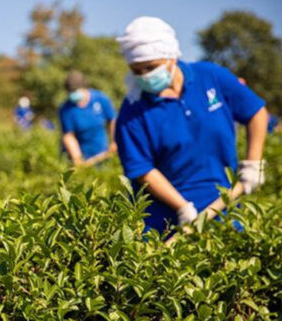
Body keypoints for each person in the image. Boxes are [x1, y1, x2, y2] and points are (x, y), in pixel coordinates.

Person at [114, 17, 268, 237]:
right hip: (165, 218)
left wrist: (253, 163)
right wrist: (182, 207)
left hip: (224, 205)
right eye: (137, 71)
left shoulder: (211, 77)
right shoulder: (132, 111)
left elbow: (255, 112)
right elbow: (142, 169)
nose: (145, 76)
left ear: (171, 57)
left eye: (151, 67)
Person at [58, 71, 117, 166]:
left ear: (84, 87)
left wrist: (114, 141)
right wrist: (78, 160)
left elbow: (112, 120)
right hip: (82, 156)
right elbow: (69, 136)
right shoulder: (66, 109)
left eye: (75, 90)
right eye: (70, 91)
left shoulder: (100, 99)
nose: (73, 94)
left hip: (102, 153)